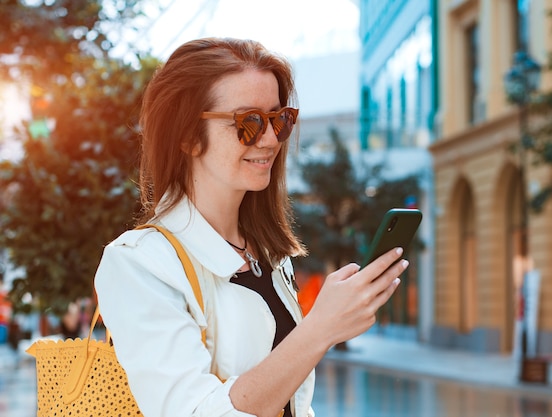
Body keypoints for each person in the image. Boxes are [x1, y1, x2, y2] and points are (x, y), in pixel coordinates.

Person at [94, 37, 408, 417]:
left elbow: (293, 402)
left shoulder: (269, 255)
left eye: (279, 119)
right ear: (188, 136)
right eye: (250, 122)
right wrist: (320, 329)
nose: (272, 139)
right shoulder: (139, 264)